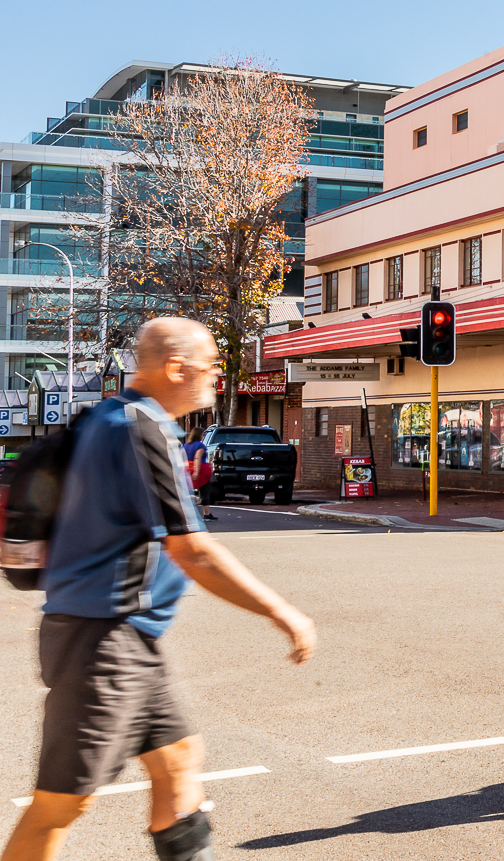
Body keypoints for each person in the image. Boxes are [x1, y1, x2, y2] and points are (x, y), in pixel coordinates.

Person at [4, 318, 316, 861]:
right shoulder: (141, 428)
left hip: (124, 638)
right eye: (212, 365)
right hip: (102, 644)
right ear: (175, 368)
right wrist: (282, 611)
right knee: (61, 805)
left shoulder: (106, 417)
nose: (217, 376)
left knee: (179, 763)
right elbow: (191, 549)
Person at [181, 429, 215, 522]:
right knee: (204, 491)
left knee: (187, 492)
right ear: (199, 435)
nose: (203, 435)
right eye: (203, 434)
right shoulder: (200, 445)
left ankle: (186, 514)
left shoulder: (185, 445)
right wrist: (196, 471)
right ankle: (206, 514)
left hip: (187, 468)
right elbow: (197, 457)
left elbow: (181, 457)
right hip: (201, 470)